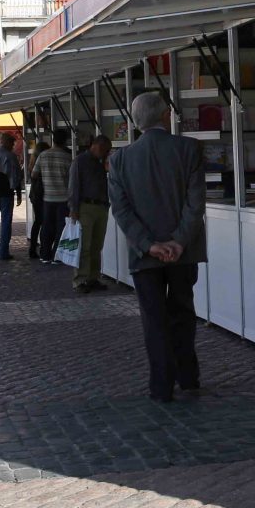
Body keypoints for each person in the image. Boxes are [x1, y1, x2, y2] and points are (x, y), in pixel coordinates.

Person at [108, 92, 206, 403]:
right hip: (183, 251)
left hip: (143, 254)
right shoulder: (188, 149)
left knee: (154, 319)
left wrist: (149, 245)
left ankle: (161, 385)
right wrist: (178, 240)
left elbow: (121, 210)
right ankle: (188, 376)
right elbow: (196, 203)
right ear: (165, 116)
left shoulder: (120, 159)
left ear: (136, 123)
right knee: (182, 311)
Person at [68, 135, 112, 293]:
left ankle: (93, 277)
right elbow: (74, 184)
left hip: (101, 206)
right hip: (85, 206)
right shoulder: (80, 161)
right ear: (94, 145)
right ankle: (80, 279)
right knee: (84, 246)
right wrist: (73, 208)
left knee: (96, 245)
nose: (104, 153)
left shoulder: (102, 163)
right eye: (103, 149)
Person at [35, 130, 74, 264]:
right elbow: (72, 178)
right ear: (65, 141)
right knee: (61, 228)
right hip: (63, 198)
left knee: (47, 226)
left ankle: (44, 255)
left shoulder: (43, 155)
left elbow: (34, 173)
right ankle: (56, 256)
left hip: (47, 197)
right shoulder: (67, 157)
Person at [26, 140, 50, 260]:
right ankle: (44, 248)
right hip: (42, 194)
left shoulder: (32, 162)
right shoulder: (43, 162)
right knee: (44, 222)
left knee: (38, 221)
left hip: (35, 194)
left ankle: (33, 248)